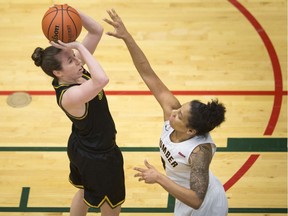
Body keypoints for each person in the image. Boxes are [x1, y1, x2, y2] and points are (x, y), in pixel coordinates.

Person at [104, 9, 228, 216]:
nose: (173, 113)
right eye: (179, 109)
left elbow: (197, 199)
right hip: (184, 198)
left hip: (207, 207)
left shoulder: (199, 152)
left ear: (190, 131)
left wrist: (159, 178)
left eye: (179, 116)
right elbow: (147, 73)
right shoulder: (172, 111)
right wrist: (127, 37)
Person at [31, 9, 125, 216]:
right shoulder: (70, 96)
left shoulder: (72, 73)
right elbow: (101, 80)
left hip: (82, 145)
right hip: (99, 155)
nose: (78, 60)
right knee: (112, 203)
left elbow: (96, 31)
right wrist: (79, 46)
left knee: (84, 192)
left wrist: (68, 11)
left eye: (75, 56)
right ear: (58, 72)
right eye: (71, 59)